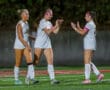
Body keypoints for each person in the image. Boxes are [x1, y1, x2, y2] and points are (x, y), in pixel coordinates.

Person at [71, 11, 104, 84]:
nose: (85, 17)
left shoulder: (89, 24)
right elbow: (84, 31)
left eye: (86, 16)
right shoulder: (91, 24)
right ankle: (99, 75)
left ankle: (87, 79)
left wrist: (75, 28)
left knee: (86, 62)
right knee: (88, 61)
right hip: (92, 45)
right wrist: (78, 27)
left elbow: (82, 33)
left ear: (90, 17)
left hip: (89, 45)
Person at [34, 8, 63, 84]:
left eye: (52, 14)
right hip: (39, 44)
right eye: (50, 14)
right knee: (35, 62)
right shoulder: (42, 22)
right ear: (46, 14)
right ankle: (29, 77)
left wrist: (58, 25)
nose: (52, 15)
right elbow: (48, 32)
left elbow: (55, 32)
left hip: (47, 44)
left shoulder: (49, 23)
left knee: (50, 62)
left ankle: (52, 79)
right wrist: (56, 25)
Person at [14, 9, 38, 85]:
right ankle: (16, 79)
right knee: (18, 63)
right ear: (22, 15)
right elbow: (20, 37)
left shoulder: (27, 23)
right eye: (26, 14)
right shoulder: (19, 24)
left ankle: (32, 78)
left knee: (30, 61)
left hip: (26, 44)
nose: (28, 15)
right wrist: (27, 45)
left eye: (28, 14)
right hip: (18, 45)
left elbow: (26, 34)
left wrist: (33, 38)